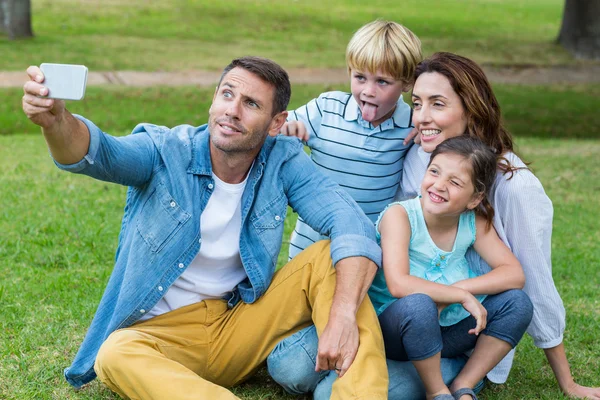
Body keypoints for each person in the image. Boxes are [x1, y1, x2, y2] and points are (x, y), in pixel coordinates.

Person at [21, 56, 389, 400]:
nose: (232, 109)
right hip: (158, 337)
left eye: (251, 103)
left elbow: (351, 223)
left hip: (236, 323)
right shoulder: (167, 150)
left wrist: (342, 314)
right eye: (227, 94)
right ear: (214, 100)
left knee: (330, 257)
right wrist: (56, 122)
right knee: (113, 353)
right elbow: (100, 154)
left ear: (276, 123)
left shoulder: (283, 159)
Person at [263, 51, 600, 400]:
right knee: (292, 369)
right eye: (417, 104)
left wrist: (567, 382)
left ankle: (456, 383)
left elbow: (534, 282)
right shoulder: (418, 154)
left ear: (472, 108)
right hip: (393, 312)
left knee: (335, 391)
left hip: (457, 328)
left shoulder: (515, 187)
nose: (421, 117)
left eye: (436, 105)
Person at [265, 19, 422, 393]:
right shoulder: (327, 109)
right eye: (359, 77)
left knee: (345, 325)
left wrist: (429, 132)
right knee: (293, 359)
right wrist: (288, 131)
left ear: (406, 84)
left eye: (383, 82)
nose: (367, 91)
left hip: (364, 267)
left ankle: (360, 368)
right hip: (310, 258)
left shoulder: (411, 125)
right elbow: (274, 129)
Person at [371, 135, 533, 400]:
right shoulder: (400, 216)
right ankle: (437, 392)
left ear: (474, 198)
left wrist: (459, 288)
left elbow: (514, 273)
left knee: (517, 303)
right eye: (434, 172)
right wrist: (458, 296)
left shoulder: (473, 222)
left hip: (449, 332)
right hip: (396, 330)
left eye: (455, 182)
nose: (439, 185)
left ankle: (463, 383)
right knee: (419, 303)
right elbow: (398, 283)